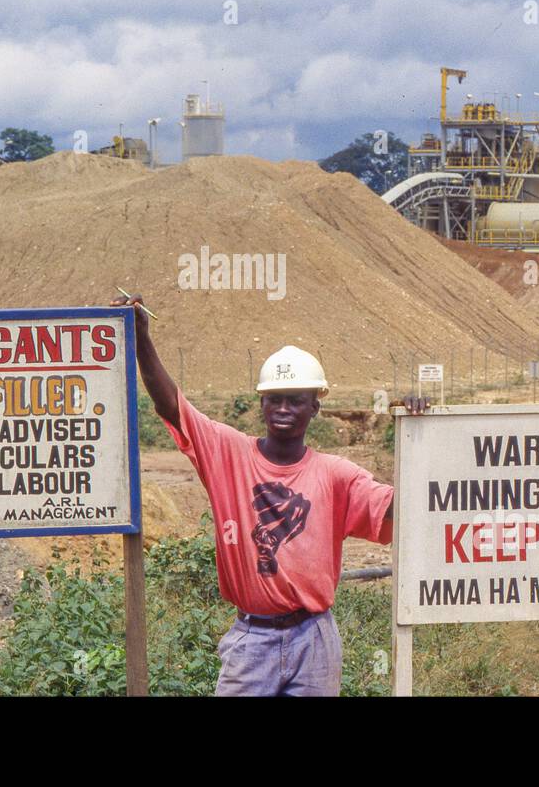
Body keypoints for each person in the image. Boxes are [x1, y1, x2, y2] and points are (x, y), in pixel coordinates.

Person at [113, 293, 397, 696]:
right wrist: (141, 336)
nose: (284, 408)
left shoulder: (336, 475)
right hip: (251, 637)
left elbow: (399, 508)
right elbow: (172, 406)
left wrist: (421, 429)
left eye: (296, 400)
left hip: (313, 637)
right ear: (261, 404)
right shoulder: (227, 454)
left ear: (316, 407)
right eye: (275, 399)